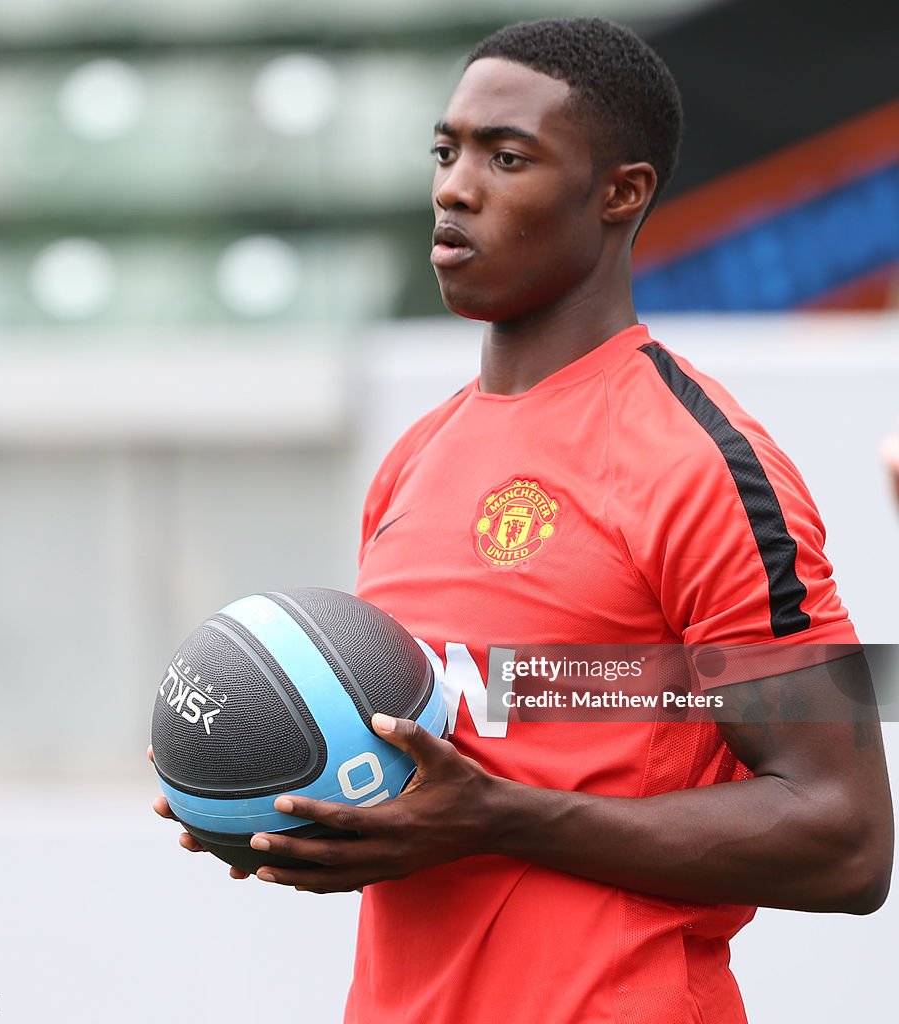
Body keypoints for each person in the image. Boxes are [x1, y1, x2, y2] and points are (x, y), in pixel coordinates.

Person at [152, 18, 894, 1023]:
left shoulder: (700, 465)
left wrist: (500, 819)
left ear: (621, 192)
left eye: (508, 158)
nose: (456, 189)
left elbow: (846, 838)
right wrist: (277, 804)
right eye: (446, 152)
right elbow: (430, 786)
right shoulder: (414, 459)